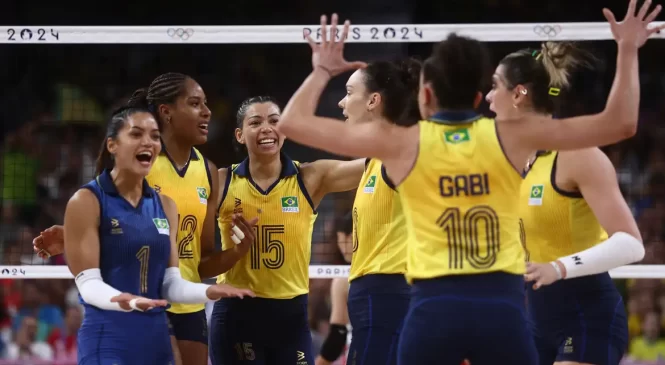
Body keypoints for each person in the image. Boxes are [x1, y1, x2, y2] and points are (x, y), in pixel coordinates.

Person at [276, 5, 662, 364]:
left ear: (426, 96)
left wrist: (323, 70)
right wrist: (628, 49)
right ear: (479, 96)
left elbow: (292, 124)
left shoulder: (401, 144)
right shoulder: (511, 137)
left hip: (432, 310)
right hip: (502, 310)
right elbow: (622, 123)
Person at [33, 73, 258, 365]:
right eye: (194, 104)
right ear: (166, 113)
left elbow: (200, 260)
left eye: (206, 104)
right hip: (143, 302)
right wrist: (73, 234)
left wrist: (237, 253)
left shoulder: (207, 172)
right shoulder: (138, 164)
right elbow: (109, 217)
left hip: (186, 302)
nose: (207, 112)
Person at [485, 42, 643, 365]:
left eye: (493, 86)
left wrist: (559, 267)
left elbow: (632, 245)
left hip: (587, 315)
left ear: (518, 95)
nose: (487, 97)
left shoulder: (576, 154)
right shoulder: (509, 158)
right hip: (534, 319)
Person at [209, 96, 366, 365]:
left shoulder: (311, 178)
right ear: (239, 134)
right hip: (237, 314)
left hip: (291, 316)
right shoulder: (221, 181)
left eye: (274, 121)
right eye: (255, 122)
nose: (267, 128)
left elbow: (375, 166)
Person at [335, 59, 420, 365]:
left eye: (348, 92)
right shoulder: (376, 158)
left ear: (373, 100)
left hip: (388, 291)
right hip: (374, 294)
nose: (341, 102)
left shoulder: (402, 153)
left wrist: (320, 72)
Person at [316, 213, 353, 365]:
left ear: (350, 238)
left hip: (360, 352)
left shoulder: (343, 280)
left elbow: (338, 334)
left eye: (340, 239)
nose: (340, 246)